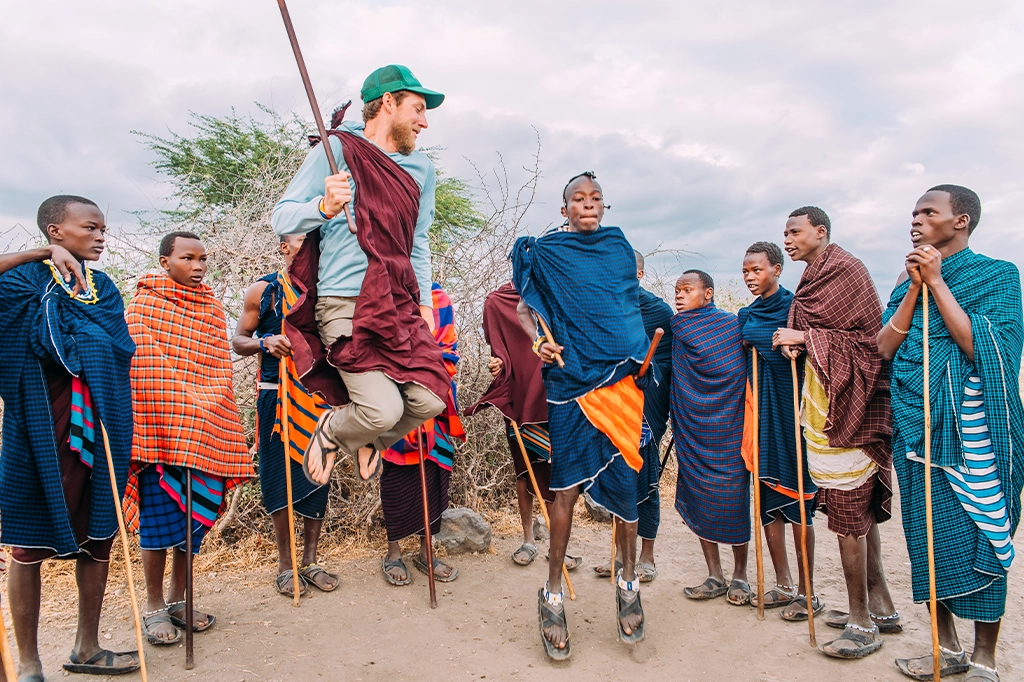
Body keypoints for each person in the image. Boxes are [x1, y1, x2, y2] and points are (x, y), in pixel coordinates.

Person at [271, 65, 449, 487]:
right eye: (418, 109)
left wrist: (424, 302)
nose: (424, 122)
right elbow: (281, 216)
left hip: (398, 303)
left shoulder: (421, 170)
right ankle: (334, 430)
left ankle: (367, 437)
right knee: (381, 409)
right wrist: (323, 208)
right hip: (344, 303)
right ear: (388, 102)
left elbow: (418, 241)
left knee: (430, 398)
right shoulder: (338, 150)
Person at [879, 185, 1023, 681]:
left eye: (928, 212)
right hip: (916, 430)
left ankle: (985, 658)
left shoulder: (998, 275)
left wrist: (938, 283)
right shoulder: (904, 283)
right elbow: (882, 350)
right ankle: (947, 649)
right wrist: (915, 288)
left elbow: (986, 349)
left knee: (985, 534)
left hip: (973, 432)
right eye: (914, 212)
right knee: (926, 539)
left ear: (959, 221)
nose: (915, 219)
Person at [512, 172, 651, 659]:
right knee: (564, 488)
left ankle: (628, 581)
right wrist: (539, 342)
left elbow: (623, 308)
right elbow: (525, 308)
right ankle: (551, 593)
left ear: (604, 206)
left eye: (596, 199)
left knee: (628, 481)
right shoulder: (547, 252)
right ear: (564, 207)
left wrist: (634, 351)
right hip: (570, 381)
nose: (588, 205)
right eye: (578, 199)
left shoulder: (617, 248)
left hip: (620, 380)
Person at [0, 196, 140, 677]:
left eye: (104, 228)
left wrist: (77, 339)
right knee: (28, 545)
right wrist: (39, 256)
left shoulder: (102, 287)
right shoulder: (21, 280)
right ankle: (29, 663)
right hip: (40, 428)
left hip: (102, 425)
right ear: (56, 231)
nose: (102, 235)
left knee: (99, 535)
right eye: (91, 227)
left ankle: (86, 647)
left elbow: (116, 346)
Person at [773, 206, 897, 659]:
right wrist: (796, 343)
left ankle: (862, 624)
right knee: (856, 515)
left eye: (794, 231)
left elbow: (871, 344)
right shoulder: (811, 278)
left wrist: (804, 340)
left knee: (848, 517)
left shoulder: (845, 270)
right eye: (784, 233)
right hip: (823, 404)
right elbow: (819, 333)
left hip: (852, 411)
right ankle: (881, 607)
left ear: (820, 232)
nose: (787, 239)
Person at [124, 231, 254, 646]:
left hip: (205, 431)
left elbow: (218, 371)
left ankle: (180, 600)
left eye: (202, 259)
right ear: (165, 262)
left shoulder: (212, 309)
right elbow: (142, 369)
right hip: (161, 431)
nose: (198, 267)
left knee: (191, 525)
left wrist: (203, 410)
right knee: (159, 527)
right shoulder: (143, 307)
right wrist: (181, 405)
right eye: (188, 258)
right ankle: (154, 606)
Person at [231, 234, 338, 597]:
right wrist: (264, 343)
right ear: (283, 247)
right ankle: (285, 565)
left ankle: (310, 561)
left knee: (318, 476)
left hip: (318, 397)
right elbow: (238, 340)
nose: (308, 249)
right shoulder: (265, 290)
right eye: (300, 241)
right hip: (275, 396)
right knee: (278, 477)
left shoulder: (328, 292)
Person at [466, 283, 584, 570]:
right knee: (524, 469)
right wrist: (498, 365)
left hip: (558, 393)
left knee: (561, 471)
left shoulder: (560, 294)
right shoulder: (497, 301)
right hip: (520, 396)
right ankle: (528, 539)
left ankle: (559, 546)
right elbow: (500, 351)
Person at [737, 242, 817, 612]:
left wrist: (794, 347)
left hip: (792, 413)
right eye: (746, 272)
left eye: (757, 270)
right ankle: (782, 584)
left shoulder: (796, 308)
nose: (751, 277)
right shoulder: (746, 315)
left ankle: (807, 591)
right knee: (767, 500)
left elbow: (813, 351)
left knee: (799, 502)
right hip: (761, 412)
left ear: (777, 269)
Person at [671, 269, 751, 605]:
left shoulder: (731, 326)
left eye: (687, 290)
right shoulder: (676, 328)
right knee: (699, 497)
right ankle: (715, 574)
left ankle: (741, 575)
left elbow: (740, 370)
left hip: (729, 426)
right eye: (677, 290)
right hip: (692, 428)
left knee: (734, 500)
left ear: (708, 293)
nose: (679, 296)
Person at [379, 282, 465, 585]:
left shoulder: (439, 298)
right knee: (397, 472)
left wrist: (425, 372)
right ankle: (393, 553)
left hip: (434, 395)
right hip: (394, 395)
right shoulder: (381, 293)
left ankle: (426, 552)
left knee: (434, 473)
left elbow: (449, 350)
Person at [595, 250, 673, 582]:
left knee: (646, 480)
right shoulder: (603, 308)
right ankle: (618, 555)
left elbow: (671, 364)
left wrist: (645, 374)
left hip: (646, 407)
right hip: (612, 405)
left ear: (639, 274)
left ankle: (647, 556)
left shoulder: (658, 311)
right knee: (616, 478)